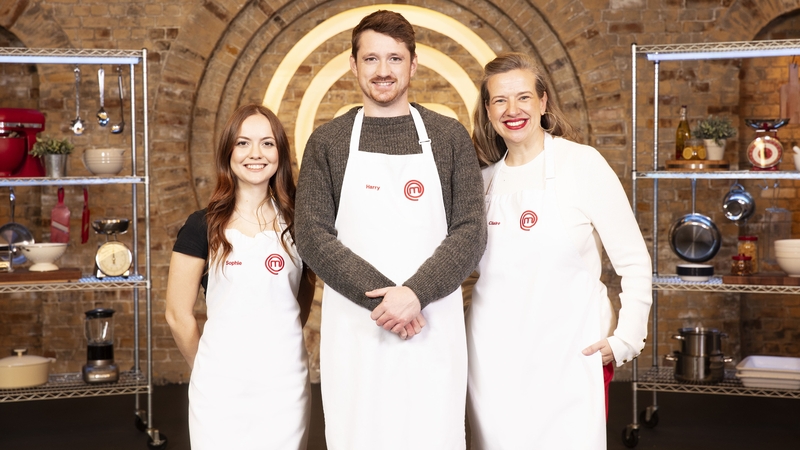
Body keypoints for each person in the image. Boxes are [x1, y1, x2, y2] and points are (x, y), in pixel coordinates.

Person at [294, 10, 486, 450]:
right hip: (360, 328)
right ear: (353, 64)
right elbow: (312, 234)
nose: (383, 71)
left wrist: (415, 294)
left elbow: (471, 231)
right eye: (372, 59)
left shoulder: (449, 136)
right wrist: (388, 299)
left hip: (431, 326)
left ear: (414, 65)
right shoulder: (328, 142)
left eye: (395, 59)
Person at [466, 52, 652, 450]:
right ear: (487, 111)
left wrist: (626, 339)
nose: (512, 110)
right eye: (499, 100)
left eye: (523, 98)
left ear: (544, 102)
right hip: (493, 363)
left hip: (569, 357)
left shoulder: (582, 165)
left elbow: (634, 261)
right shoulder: (481, 183)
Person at [165, 104, 315, 450]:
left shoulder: (299, 225)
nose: (255, 154)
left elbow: (301, 300)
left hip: (284, 385)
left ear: (280, 153)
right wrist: (207, 368)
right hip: (219, 386)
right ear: (228, 152)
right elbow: (177, 315)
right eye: (243, 143)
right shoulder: (201, 226)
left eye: (267, 144)